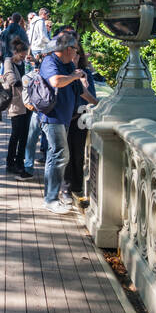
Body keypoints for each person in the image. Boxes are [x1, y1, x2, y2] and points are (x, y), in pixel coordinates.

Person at [37, 32, 98, 215]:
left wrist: (98, 103)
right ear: (66, 49)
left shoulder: (69, 64)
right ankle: (51, 199)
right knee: (60, 155)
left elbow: (80, 91)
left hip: (64, 117)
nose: (77, 54)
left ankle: (50, 197)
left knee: (54, 156)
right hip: (52, 117)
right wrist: (73, 75)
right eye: (75, 49)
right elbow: (56, 81)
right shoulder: (50, 62)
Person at [62, 38, 99, 202]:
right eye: (71, 53)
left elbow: (91, 96)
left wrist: (84, 83)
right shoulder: (63, 72)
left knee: (77, 153)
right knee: (65, 154)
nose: (74, 57)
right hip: (64, 117)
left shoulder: (86, 73)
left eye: (77, 54)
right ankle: (65, 187)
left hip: (80, 117)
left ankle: (76, 187)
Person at [0, 40, 34, 178]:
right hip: (16, 103)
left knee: (24, 135)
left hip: (27, 103)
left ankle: (20, 163)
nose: (24, 57)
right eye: (22, 54)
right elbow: (12, 80)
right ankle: (10, 163)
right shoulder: (9, 62)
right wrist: (28, 80)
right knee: (16, 134)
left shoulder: (25, 63)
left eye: (25, 54)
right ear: (16, 52)